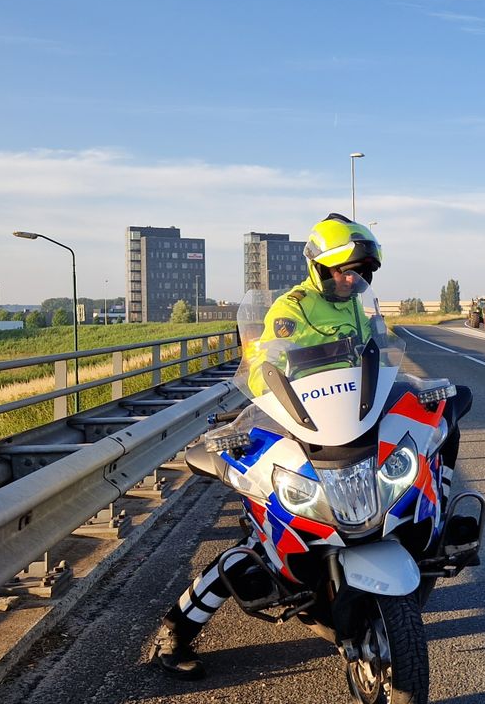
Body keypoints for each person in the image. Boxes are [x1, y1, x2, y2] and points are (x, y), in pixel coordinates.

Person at [151, 213, 381, 680]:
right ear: (319, 268)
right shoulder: (289, 310)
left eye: (359, 273)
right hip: (299, 420)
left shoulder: (357, 303)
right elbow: (260, 370)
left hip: (348, 423)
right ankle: (175, 629)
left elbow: (371, 351)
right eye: (343, 271)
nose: (352, 280)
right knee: (267, 540)